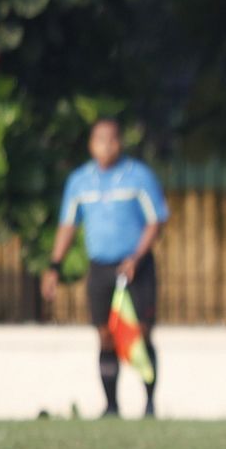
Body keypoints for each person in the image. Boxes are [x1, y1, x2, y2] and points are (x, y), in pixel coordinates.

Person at [41, 119, 168, 419]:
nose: (105, 146)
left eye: (111, 140)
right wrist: (54, 266)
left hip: (137, 266)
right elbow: (68, 225)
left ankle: (149, 404)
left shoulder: (138, 177)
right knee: (104, 333)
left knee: (142, 333)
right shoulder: (80, 181)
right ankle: (111, 406)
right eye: (99, 140)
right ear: (90, 144)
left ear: (120, 143)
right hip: (101, 267)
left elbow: (156, 221)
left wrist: (136, 257)